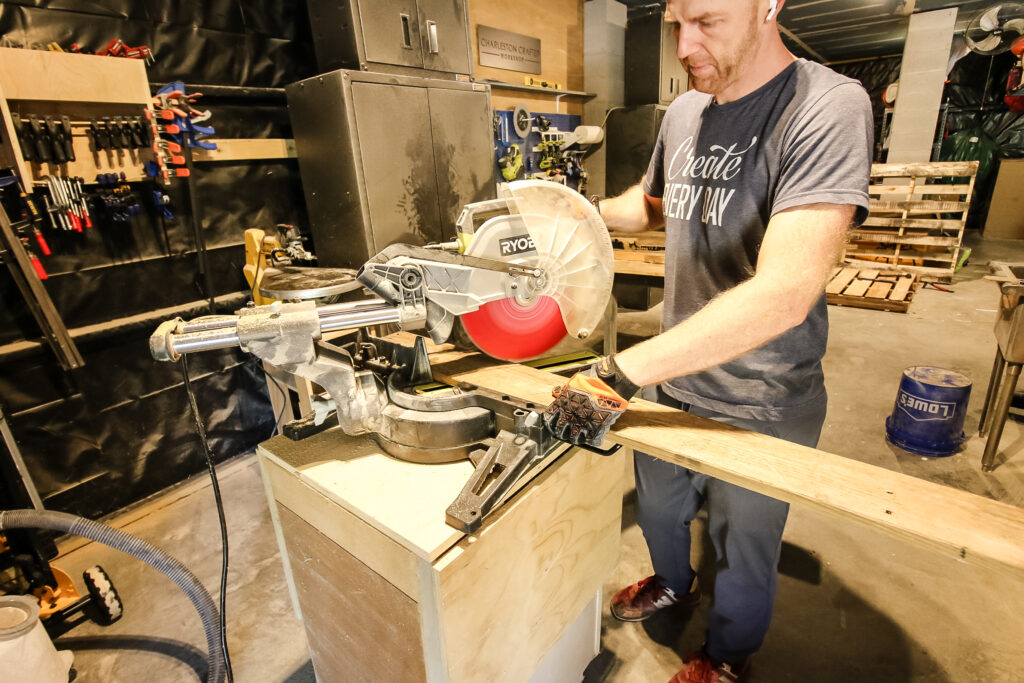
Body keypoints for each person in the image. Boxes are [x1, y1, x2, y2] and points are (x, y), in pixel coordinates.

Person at [545, 0, 873, 680]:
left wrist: (620, 371)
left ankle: (726, 655)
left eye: (707, 22)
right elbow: (653, 203)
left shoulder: (827, 107)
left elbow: (786, 293)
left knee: (744, 546)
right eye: (675, 23)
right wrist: (569, 215)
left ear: (768, 6)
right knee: (662, 509)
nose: (683, 45)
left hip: (763, 396)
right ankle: (672, 582)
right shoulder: (687, 111)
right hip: (676, 376)